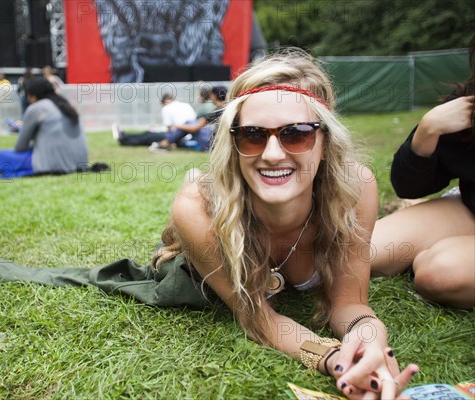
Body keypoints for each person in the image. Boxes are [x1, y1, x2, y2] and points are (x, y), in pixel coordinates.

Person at [155, 50, 418, 398]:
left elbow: (349, 305)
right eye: (253, 135)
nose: (273, 154)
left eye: (296, 133)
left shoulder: (356, 189)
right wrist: (335, 359)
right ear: (233, 144)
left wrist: (369, 341)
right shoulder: (197, 207)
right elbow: (260, 319)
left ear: (325, 141)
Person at [371, 44, 475, 309]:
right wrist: (427, 131)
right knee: (360, 251)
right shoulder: (467, 106)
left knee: (440, 273)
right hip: (468, 209)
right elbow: (408, 185)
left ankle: (442, 250)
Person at [0, 76, 88, 179]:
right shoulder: (65, 105)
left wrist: (24, 129)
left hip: (53, 165)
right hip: (79, 162)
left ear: (32, 95)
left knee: (2, 156)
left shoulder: (36, 108)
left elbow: (20, 148)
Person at [156, 85, 227, 151]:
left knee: (189, 123)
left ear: (214, 95)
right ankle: (166, 142)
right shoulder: (228, 108)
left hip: (214, 144)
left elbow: (194, 129)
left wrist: (178, 126)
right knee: (190, 123)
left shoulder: (218, 111)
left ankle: (164, 143)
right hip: (223, 142)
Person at [112, 93, 197, 147]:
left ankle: (123, 139)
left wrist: (158, 130)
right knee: (149, 134)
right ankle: (124, 136)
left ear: (165, 102)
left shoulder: (166, 108)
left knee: (148, 136)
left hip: (178, 137)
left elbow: (169, 129)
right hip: (189, 136)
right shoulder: (186, 105)